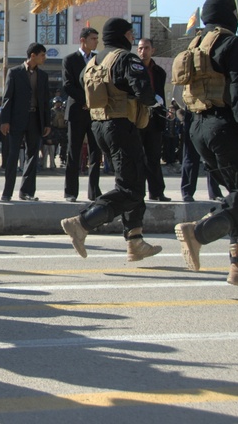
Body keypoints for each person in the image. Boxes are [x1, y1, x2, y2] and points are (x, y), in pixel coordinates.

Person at [173, 0, 238, 289]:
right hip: (226, 127)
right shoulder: (233, 44)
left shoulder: (195, 46)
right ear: (230, 14)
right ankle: (199, 232)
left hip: (200, 129)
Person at [60, 18, 163, 262]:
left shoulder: (94, 61)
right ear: (124, 35)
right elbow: (142, 89)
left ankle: (135, 240)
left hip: (100, 126)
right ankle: (82, 222)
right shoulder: (125, 58)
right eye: (131, 34)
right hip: (121, 126)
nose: (133, 38)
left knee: (133, 181)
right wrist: (154, 101)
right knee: (131, 189)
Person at [0, 43, 50, 202]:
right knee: (12, 155)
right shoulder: (15, 73)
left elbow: (45, 101)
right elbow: (7, 98)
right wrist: (5, 120)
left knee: (32, 156)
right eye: (42, 55)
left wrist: (47, 122)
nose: (44, 58)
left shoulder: (43, 76)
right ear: (33, 55)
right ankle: (7, 192)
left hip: (35, 120)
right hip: (16, 120)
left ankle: (27, 192)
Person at [63, 27, 102, 203]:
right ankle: (70, 192)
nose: (96, 42)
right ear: (83, 40)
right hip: (77, 111)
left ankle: (94, 191)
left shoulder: (98, 60)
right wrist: (85, 101)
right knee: (74, 152)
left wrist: (95, 103)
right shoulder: (70, 60)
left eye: (97, 38)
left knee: (96, 152)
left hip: (95, 113)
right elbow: (68, 85)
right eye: (93, 38)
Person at [136, 38, 171, 201]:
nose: (144, 51)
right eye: (141, 48)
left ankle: (157, 192)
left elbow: (161, 96)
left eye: (147, 48)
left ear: (153, 50)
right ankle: (137, 192)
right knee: (137, 158)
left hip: (154, 119)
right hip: (137, 118)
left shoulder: (159, 72)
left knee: (154, 157)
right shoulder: (133, 68)